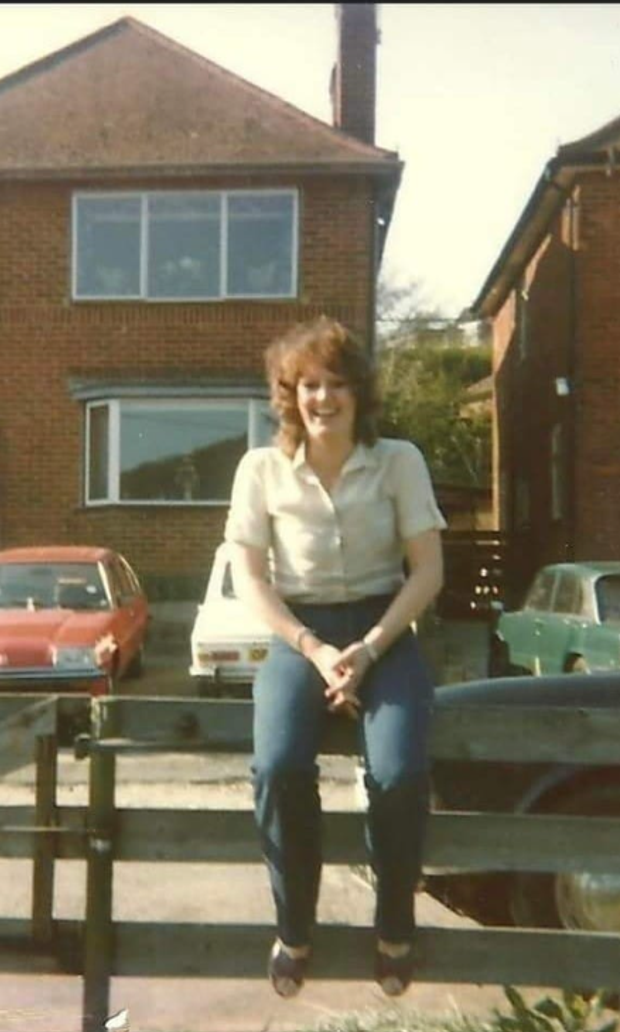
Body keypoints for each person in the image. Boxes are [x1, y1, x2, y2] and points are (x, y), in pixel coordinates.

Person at [224, 315, 446, 998]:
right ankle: (295, 927)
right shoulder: (261, 469)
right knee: (278, 767)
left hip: (385, 628)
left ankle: (395, 922)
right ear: (290, 396)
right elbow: (250, 578)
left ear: (360, 392)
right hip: (300, 633)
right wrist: (314, 649)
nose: (324, 398)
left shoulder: (399, 461)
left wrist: (371, 647)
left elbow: (428, 571)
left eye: (338, 384)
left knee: (400, 774)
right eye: (310, 385)